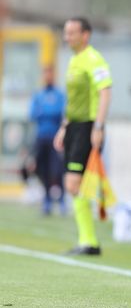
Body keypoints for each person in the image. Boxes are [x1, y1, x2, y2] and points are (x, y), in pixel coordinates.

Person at [53, 17, 112, 256]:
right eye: (65, 33)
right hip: (74, 127)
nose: (67, 37)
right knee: (74, 185)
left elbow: (105, 92)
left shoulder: (94, 60)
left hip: (88, 127)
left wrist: (98, 126)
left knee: (74, 183)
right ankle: (88, 241)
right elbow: (73, 101)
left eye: (71, 33)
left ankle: (89, 242)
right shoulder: (73, 60)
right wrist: (64, 126)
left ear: (85, 35)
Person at [29, 65, 66, 215]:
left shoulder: (59, 95)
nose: (47, 76)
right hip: (41, 137)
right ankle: (47, 199)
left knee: (57, 169)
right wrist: (48, 112)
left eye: (50, 73)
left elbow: (60, 112)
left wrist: (45, 111)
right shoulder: (38, 95)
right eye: (45, 73)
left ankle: (62, 200)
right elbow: (32, 114)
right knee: (41, 169)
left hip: (55, 138)